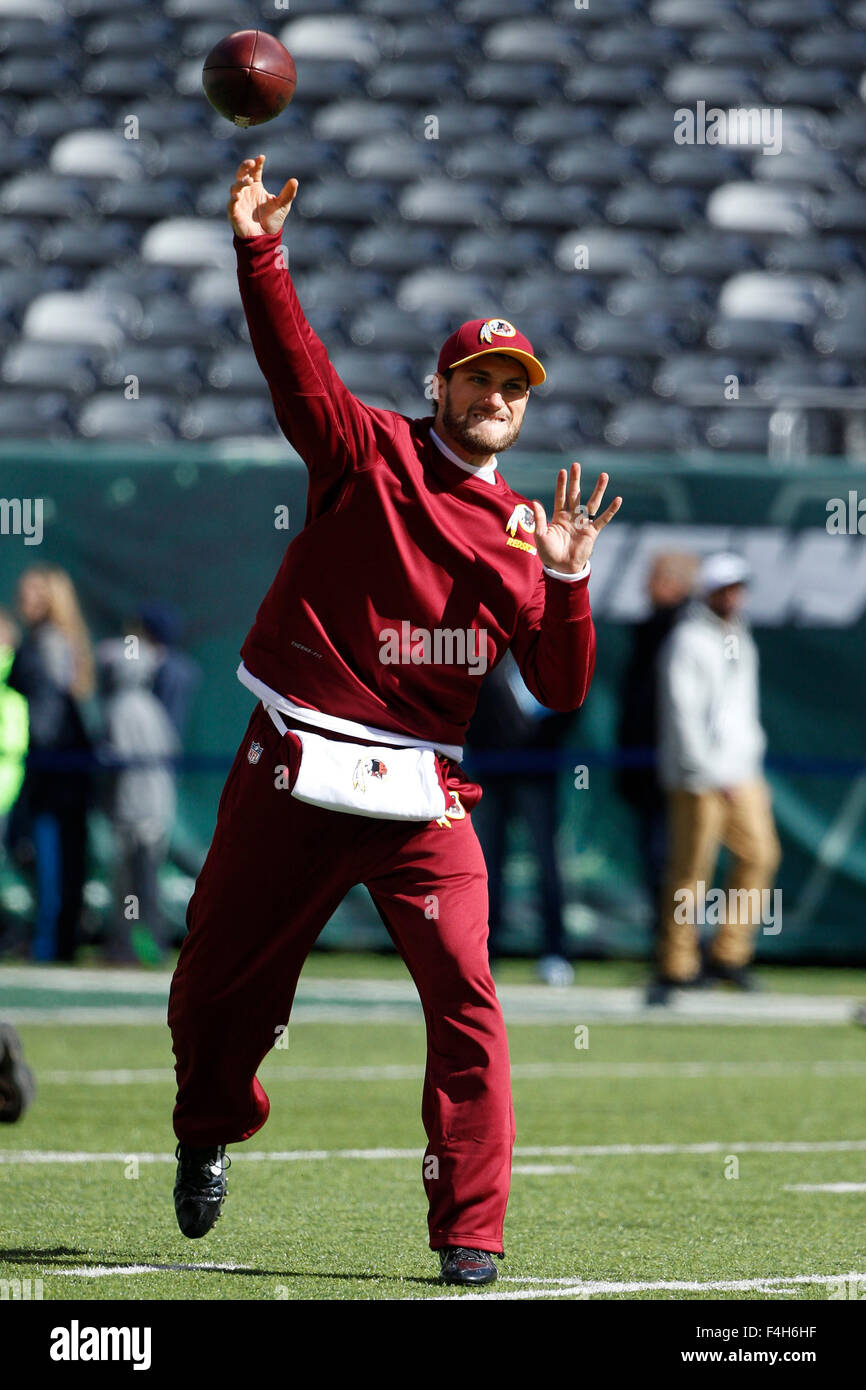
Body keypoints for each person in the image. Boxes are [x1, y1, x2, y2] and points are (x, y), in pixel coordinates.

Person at [167, 155, 622, 1287]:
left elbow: (560, 688)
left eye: (514, 384)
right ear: (439, 386)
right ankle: (209, 1123)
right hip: (296, 761)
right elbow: (295, 368)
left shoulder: (526, 534)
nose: (498, 397)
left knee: (467, 993)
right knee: (220, 989)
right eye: (479, 377)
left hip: (420, 791)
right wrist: (259, 250)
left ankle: (468, 1232)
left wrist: (567, 584)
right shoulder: (365, 451)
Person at [652, 553, 781, 1005]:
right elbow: (682, 714)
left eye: (739, 587)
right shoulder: (687, 639)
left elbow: (741, 711)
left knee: (760, 856)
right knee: (691, 873)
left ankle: (729, 954)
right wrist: (705, 768)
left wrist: (745, 761)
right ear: (709, 592)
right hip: (698, 778)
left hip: (742, 772)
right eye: (727, 588)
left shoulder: (741, 637)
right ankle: (678, 964)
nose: (735, 596)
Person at [466, 650, 576, 985]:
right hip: (492, 769)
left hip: (538, 772)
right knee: (486, 864)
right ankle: (486, 950)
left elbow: (570, 705)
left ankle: (554, 951)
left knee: (546, 861)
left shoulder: (549, 658)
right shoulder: (484, 653)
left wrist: (542, 742)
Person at [8, 567, 94, 963]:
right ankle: (57, 941)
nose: (22, 600)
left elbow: (49, 713)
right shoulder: (60, 643)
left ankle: (51, 944)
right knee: (58, 860)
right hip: (62, 769)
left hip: (53, 771)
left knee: (53, 861)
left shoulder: (46, 644)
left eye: (30, 594)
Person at [617, 553, 698, 962]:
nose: (649, 585)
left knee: (680, 863)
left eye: (656, 578)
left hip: (683, 769)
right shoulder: (650, 630)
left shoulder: (687, 631)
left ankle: (682, 953)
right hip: (650, 766)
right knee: (661, 861)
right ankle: (670, 950)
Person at [96, 637, 180, 964]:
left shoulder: (121, 706)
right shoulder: (150, 705)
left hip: (134, 810)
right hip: (156, 807)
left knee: (132, 886)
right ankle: (148, 947)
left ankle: (132, 949)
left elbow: (114, 757)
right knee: (145, 883)